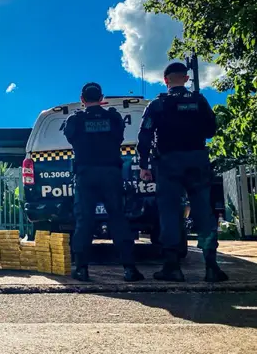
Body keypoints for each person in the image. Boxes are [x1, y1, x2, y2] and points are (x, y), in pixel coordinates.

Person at [137, 62, 228, 282]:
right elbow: (210, 130)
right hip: (197, 160)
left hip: (169, 163)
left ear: (165, 79)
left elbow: (145, 136)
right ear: (186, 79)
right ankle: (211, 266)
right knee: (203, 212)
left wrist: (144, 165)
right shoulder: (199, 101)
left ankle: (172, 266)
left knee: (169, 212)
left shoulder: (158, 104)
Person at [64, 83, 144, 282]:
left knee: (84, 221)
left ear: (82, 99)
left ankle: (82, 269)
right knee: (118, 218)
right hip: (111, 173)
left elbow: (70, 137)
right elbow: (119, 137)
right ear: (102, 98)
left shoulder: (75, 120)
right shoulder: (113, 117)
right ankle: (129, 269)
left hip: (86, 174)